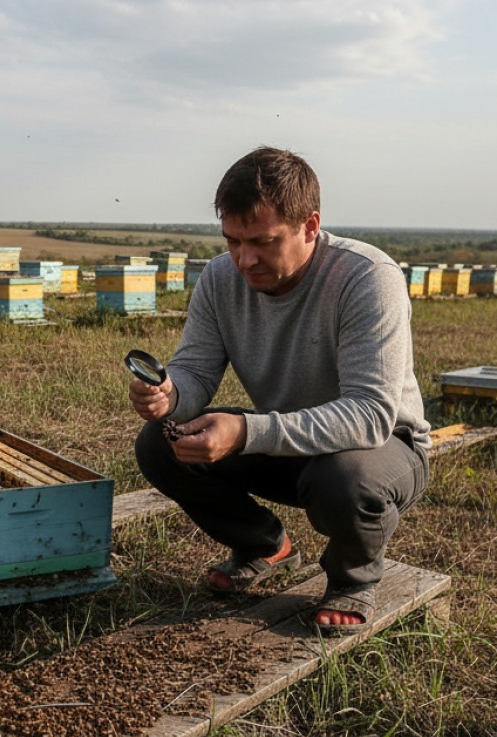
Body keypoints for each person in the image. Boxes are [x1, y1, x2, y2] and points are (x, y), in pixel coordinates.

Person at [130, 147, 430, 634]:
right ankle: (263, 545)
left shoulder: (366, 278)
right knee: (161, 442)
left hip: (383, 449)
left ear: (310, 226)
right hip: (287, 443)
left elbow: (371, 415)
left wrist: (246, 432)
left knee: (347, 476)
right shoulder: (220, 277)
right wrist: (169, 393)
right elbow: (196, 371)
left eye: (263, 242)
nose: (245, 260)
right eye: (232, 241)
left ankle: (353, 579)